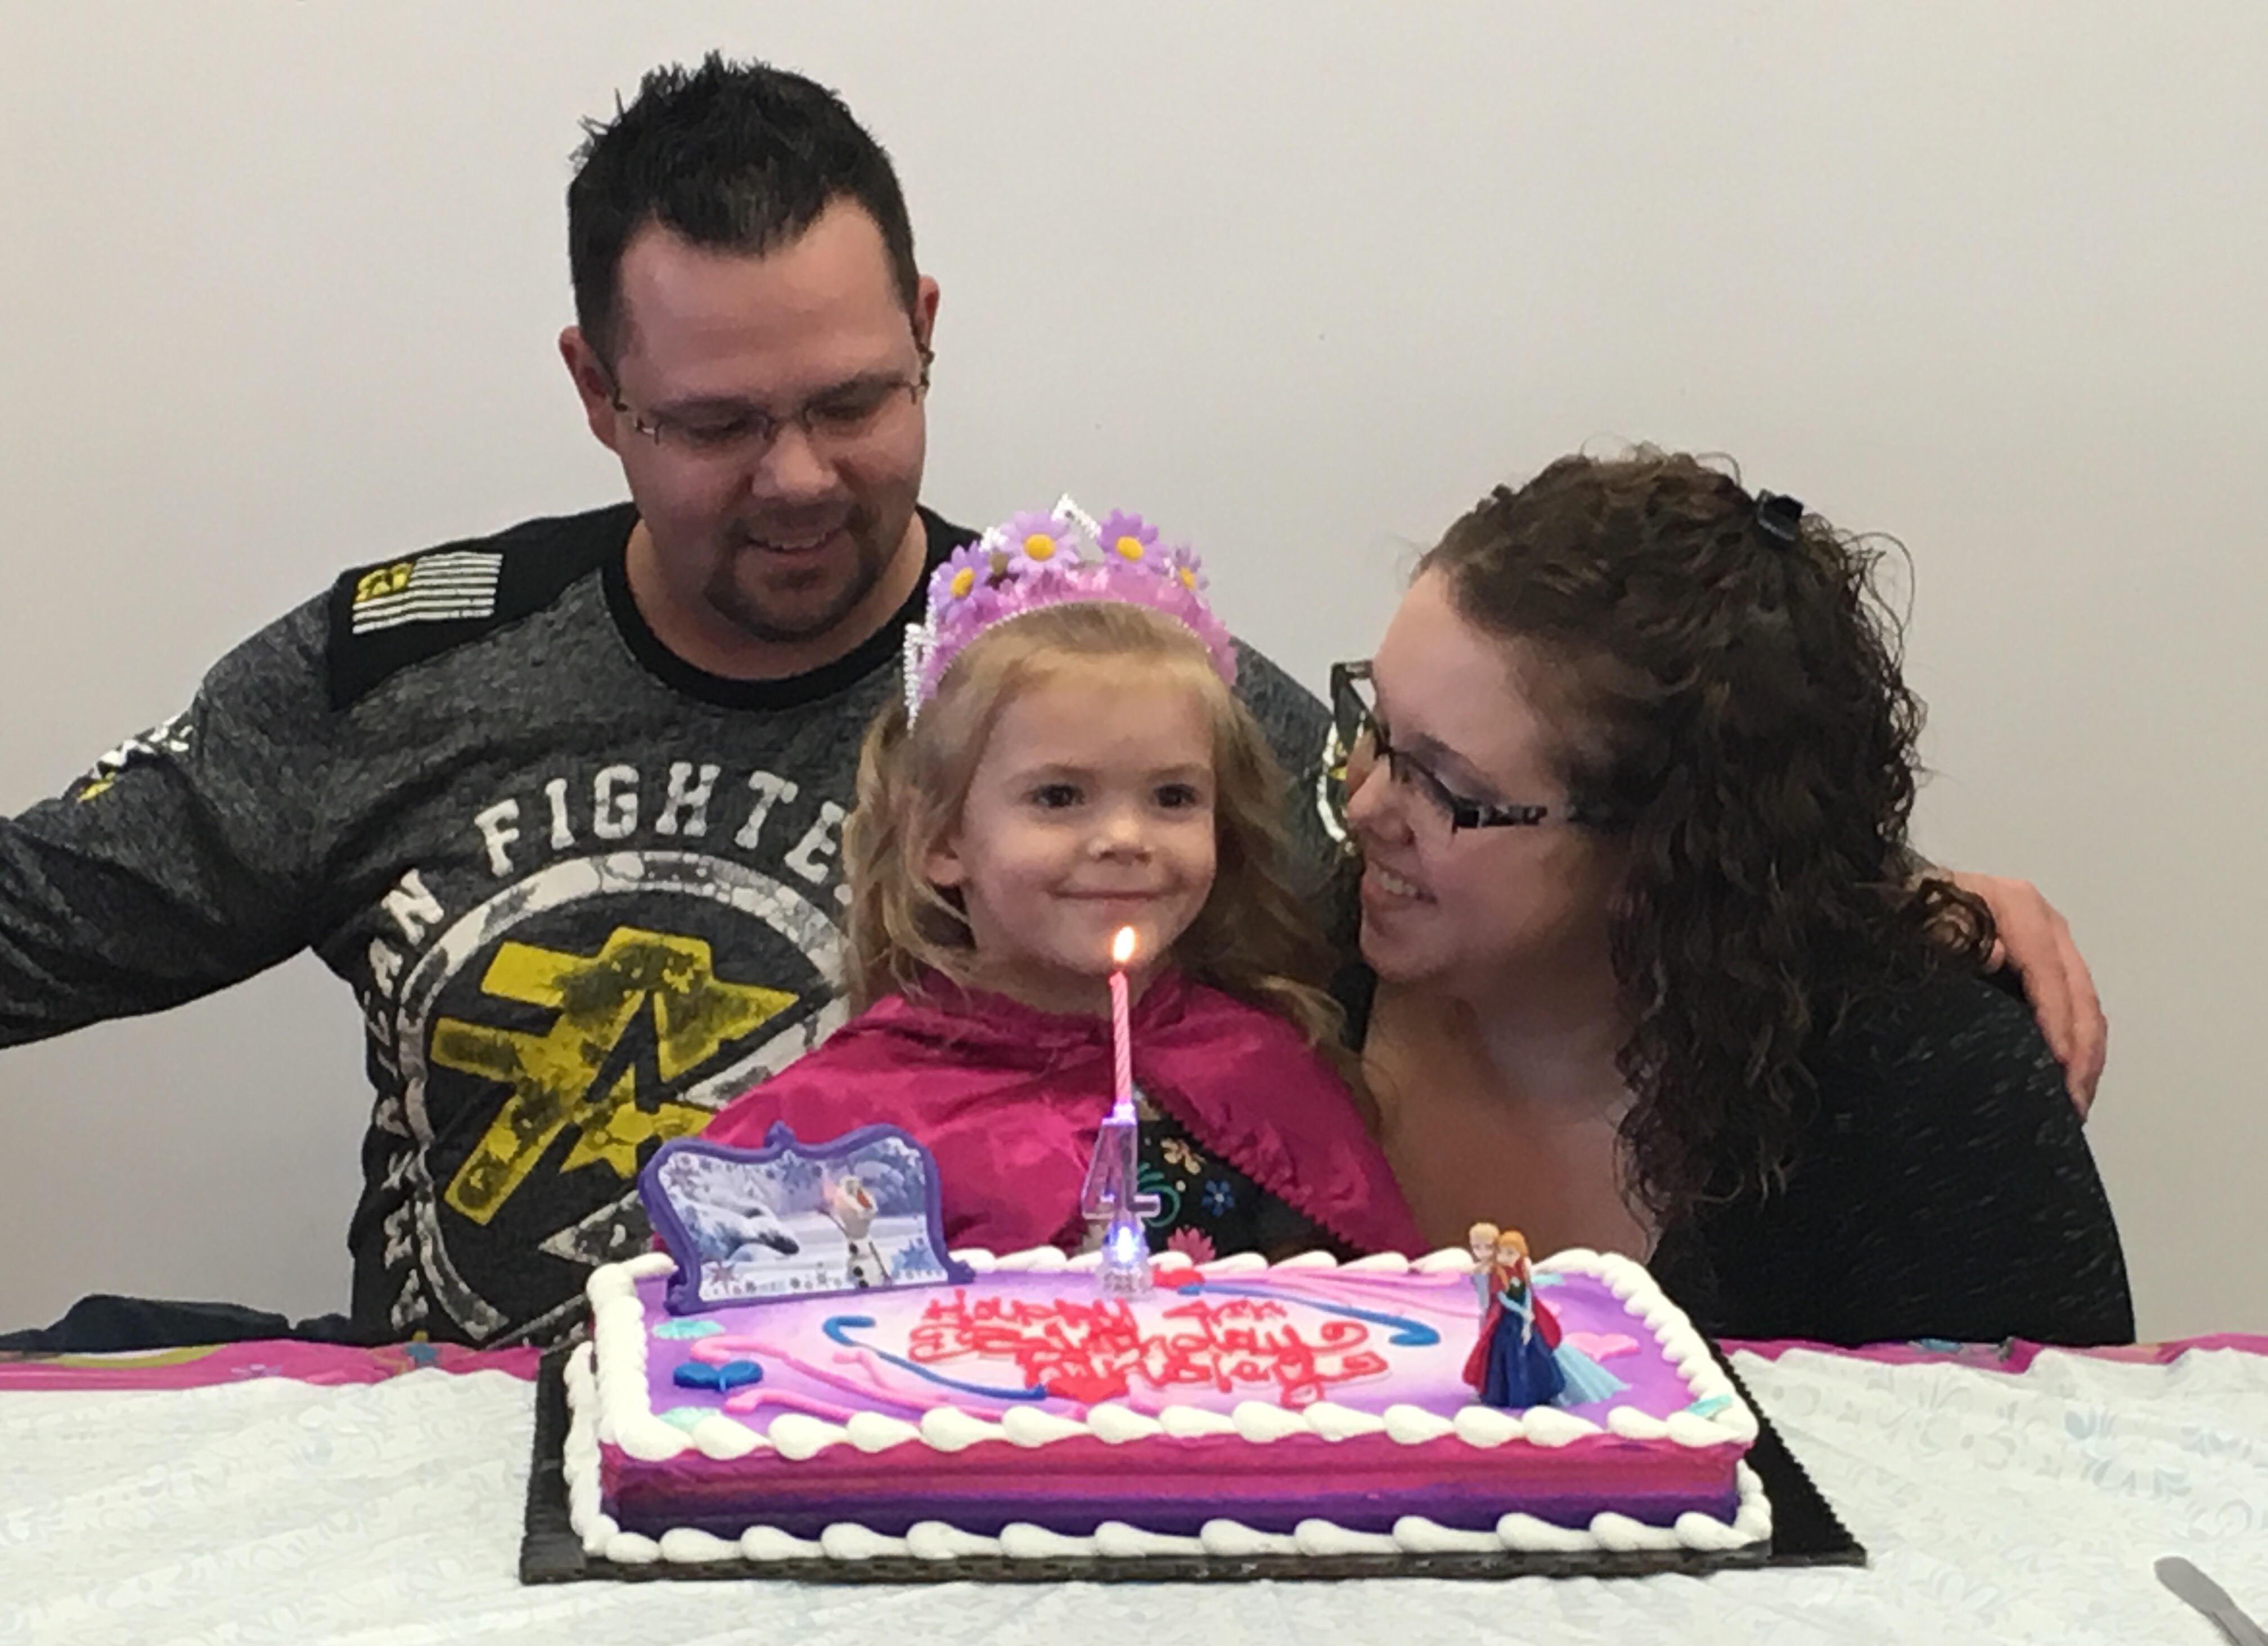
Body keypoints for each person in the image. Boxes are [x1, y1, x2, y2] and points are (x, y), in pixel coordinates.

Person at [0, 55, 2100, 1350]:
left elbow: (1548, 826)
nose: (799, 477)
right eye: (717, 423)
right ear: (594, 391)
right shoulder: (399, 673)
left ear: (928, 329)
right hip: (479, 1491)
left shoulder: (1119, 700)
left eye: (856, 399)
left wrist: (1905, 909)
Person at [1331, 450, 2134, 1347]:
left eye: (1443, 786)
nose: (1363, 807)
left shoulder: (1923, 1101)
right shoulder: (1282, 968)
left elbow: (2049, 1429)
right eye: (1375, 728)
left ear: (1659, 853)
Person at [697, 507, 1423, 1263]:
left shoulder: (1264, 1069)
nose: (1125, 839)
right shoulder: (845, 1119)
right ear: (939, 838)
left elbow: (1357, 1301)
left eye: (1173, 796)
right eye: (1059, 797)